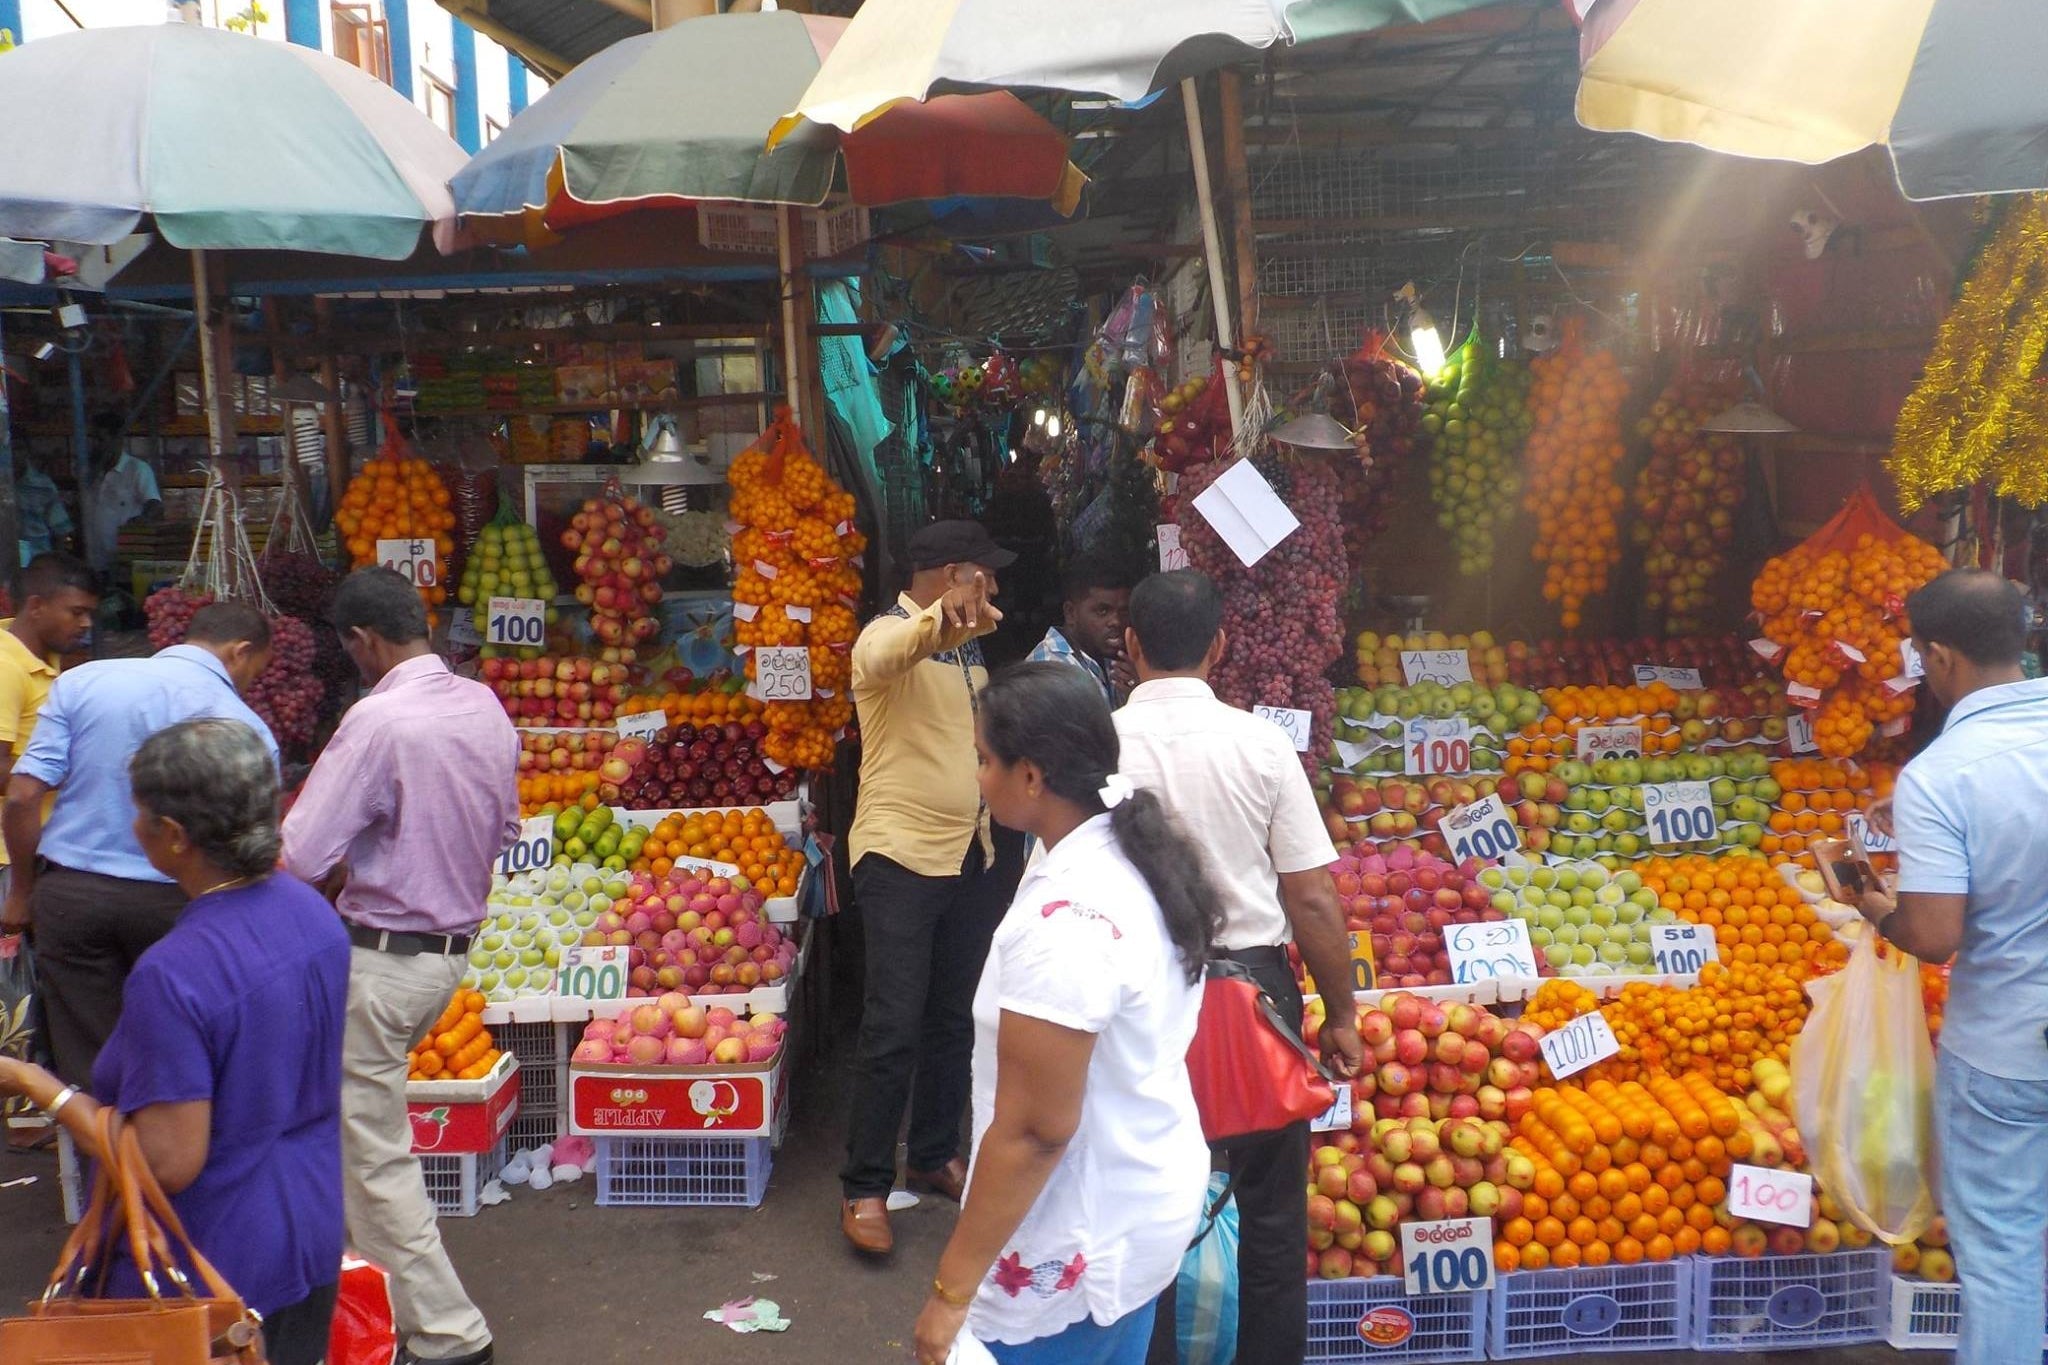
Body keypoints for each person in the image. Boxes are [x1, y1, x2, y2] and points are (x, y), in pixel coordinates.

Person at [0, 718, 348, 1365]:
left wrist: (37, 1085)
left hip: (215, 1258)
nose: (133, 826)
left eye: (140, 813)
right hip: (312, 1223)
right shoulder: (312, 913)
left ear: (176, 838)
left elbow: (166, 1160)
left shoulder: (175, 971)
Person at [913, 662, 1216, 1365]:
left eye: (985, 759)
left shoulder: (1066, 922)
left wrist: (949, 1291)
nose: (978, 777)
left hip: (1083, 1236)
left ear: (1032, 776)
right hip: (1137, 1203)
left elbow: (1033, 1132)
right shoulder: (1124, 853)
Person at [1118, 569, 1361, 1365]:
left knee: (1139, 1205)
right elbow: (1315, 899)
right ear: (1219, 647)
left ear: (1129, 647)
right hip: (1258, 998)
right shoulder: (1261, 744)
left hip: (1136, 997)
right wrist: (1342, 1014)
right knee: (1269, 1215)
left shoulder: (1098, 744)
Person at [282, 566, 518, 1365]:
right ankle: (366, 1308)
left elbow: (302, 853)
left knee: (374, 1153)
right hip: (446, 957)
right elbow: (505, 824)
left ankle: (450, 1335)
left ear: (362, 641)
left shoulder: (376, 719)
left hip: (382, 962)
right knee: (365, 1144)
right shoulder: (484, 704)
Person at [1857, 568, 2048, 1365]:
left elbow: (1934, 936)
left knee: (2005, 1257)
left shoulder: (1943, 774)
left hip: (2008, 1050)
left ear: (1937, 656)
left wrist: (1871, 903)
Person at [841, 518, 1025, 1256]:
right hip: (899, 858)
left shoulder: (969, 646)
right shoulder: (882, 637)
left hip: (970, 855)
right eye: (985, 572)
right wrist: (937, 616)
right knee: (892, 1025)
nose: (997, 585)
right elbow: (896, 649)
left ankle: (934, 1148)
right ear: (954, 573)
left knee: (955, 1013)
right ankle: (864, 1185)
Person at [0, 602, 274, 1085]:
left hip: (73, 901)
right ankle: (172, 1154)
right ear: (241, 651)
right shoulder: (245, 728)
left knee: (92, 1066)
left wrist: (22, 891)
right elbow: (247, 849)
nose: (251, 680)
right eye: (256, 668)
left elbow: (22, 796)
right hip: (182, 908)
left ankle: (103, 1156)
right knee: (182, 1057)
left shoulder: (84, 683)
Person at [1026, 554, 1134, 706]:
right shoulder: (1049, 671)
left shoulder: (1114, 661)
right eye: (1102, 611)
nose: (1116, 621)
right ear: (1071, 613)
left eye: (1123, 611)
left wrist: (1137, 693)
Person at [83, 413, 160, 574]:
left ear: (117, 440)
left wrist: (142, 521)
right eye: (92, 440)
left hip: (125, 564)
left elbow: (154, 503)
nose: (95, 445)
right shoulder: (89, 474)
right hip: (94, 563)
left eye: (100, 439)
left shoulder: (137, 469)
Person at [16, 443, 76, 565]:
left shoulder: (43, 485)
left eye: (17, 448)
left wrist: (59, 567)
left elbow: (60, 529)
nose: (13, 455)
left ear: (26, 452)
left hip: (37, 562)